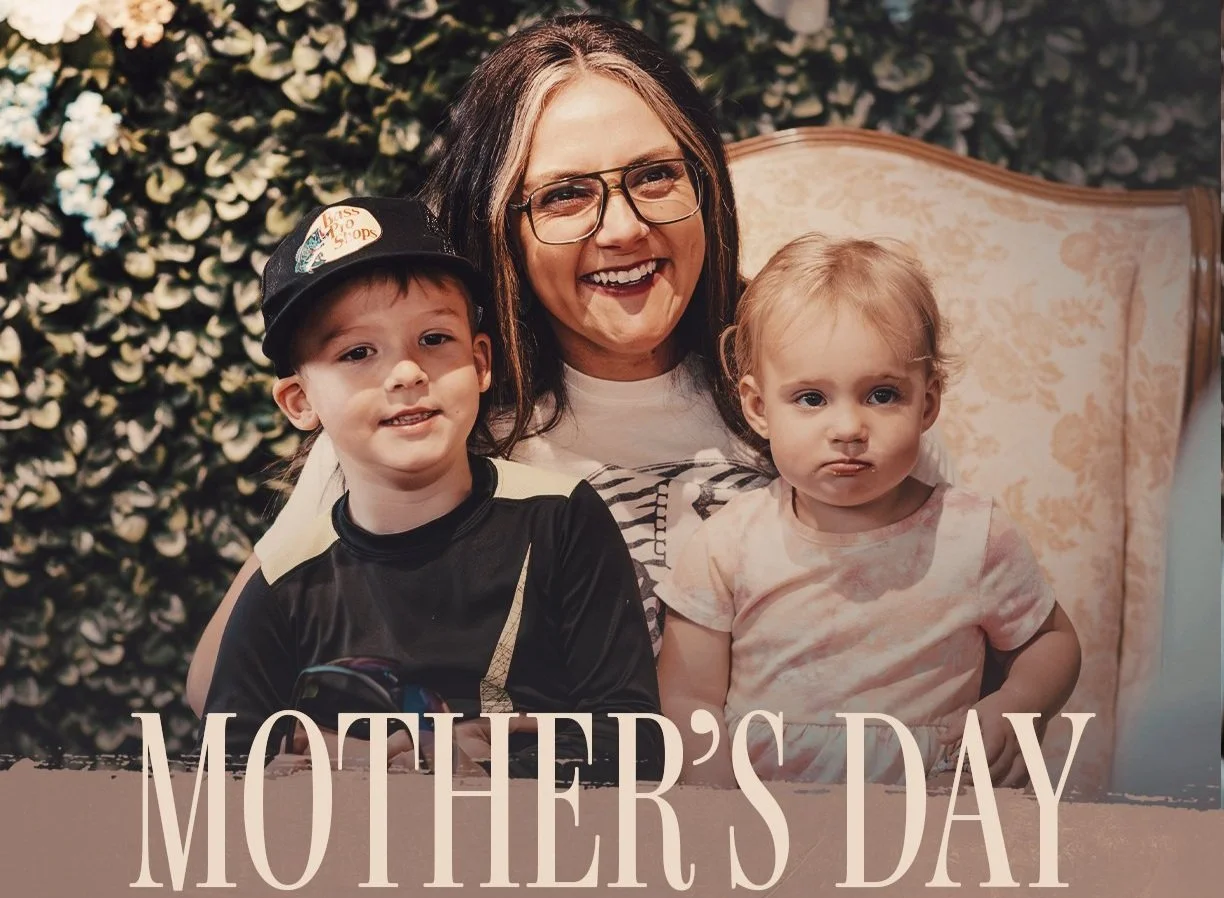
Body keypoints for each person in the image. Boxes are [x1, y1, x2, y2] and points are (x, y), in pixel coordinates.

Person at [185, 13, 952, 718]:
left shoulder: (827, 383)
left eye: (654, 175)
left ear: (705, 186)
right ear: (501, 226)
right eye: (565, 195)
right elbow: (217, 686)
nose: (622, 228)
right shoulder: (427, 411)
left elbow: (950, 616)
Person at [200, 195, 664, 783]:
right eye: (358, 352)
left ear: (481, 361)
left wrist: (473, 763)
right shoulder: (284, 579)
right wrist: (362, 763)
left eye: (434, 339)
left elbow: (635, 742)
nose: (407, 372)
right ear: (300, 402)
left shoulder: (559, 517)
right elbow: (224, 765)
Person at [655, 234, 1081, 787]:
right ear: (758, 407)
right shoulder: (727, 544)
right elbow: (688, 696)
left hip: (929, 805)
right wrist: (716, 799)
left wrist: (1018, 704)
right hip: (768, 810)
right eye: (811, 399)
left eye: (882, 395)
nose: (849, 429)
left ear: (927, 402)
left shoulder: (974, 536)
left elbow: (1052, 641)